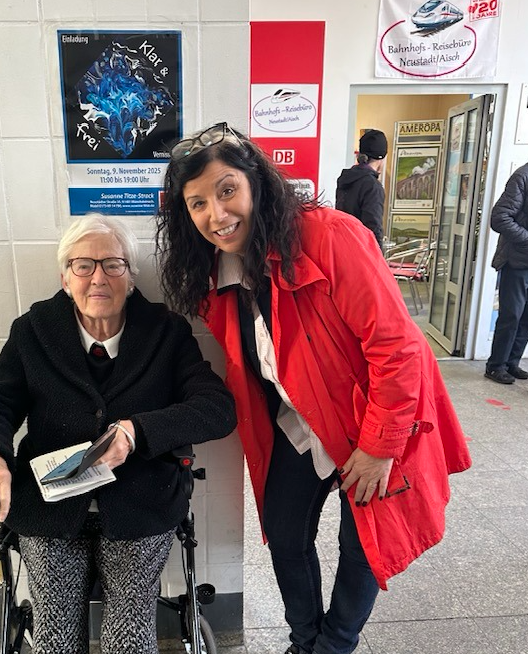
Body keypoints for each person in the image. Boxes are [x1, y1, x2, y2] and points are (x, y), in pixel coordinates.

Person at [155, 123, 471, 654]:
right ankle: (306, 642)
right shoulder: (212, 272)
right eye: (198, 203)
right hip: (300, 422)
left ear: (256, 182)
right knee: (284, 533)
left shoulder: (331, 236)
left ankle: (334, 645)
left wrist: (379, 446)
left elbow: (397, 348)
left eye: (227, 190)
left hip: (371, 418)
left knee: (362, 542)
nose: (216, 214)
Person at [0, 214, 236, 654]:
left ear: (131, 276)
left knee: (129, 637)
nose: (98, 278)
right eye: (83, 265)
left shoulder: (166, 332)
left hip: (141, 502)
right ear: (65, 279)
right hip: (49, 507)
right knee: (56, 637)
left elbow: (216, 408)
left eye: (113, 264)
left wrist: (136, 431)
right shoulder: (33, 332)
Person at [485, 162, 528, 384]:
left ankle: (511, 363)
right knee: (511, 315)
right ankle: (496, 366)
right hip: (516, 261)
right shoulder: (523, 176)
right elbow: (499, 217)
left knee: (526, 318)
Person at [335, 128, 388, 249]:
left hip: (342, 246)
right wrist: (378, 256)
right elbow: (373, 227)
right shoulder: (372, 186)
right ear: (382, 158)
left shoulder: (345, 179)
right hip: (361, 250)